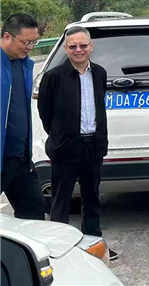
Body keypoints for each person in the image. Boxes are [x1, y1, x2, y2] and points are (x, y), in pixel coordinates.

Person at [38, 26, 118, 260]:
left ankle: (93, 245)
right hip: (65, 148)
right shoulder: (54, 76)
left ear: (91, 47)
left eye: (83, 45)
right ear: (66, 48)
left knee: (92, 198)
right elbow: (45, 113)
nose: (78, 50)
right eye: (73, 46)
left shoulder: (99, 73)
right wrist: (61, 135)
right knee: (61, 201)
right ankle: (58, 249)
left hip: (93, 146)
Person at [0, 14, 45, 221]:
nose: (30, 47)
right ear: (7, 37)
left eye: (34, 42)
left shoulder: (25, 64)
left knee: (34, 217)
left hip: (20, 159)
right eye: (26, 42)